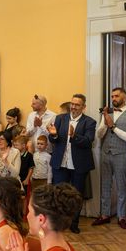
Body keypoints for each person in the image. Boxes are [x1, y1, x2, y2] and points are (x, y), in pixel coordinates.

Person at [48, 93, 97, 234]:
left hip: (79, 164)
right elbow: (54, 140)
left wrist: (74, 136)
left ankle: (74, 223)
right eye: (72, 104)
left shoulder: (89, 122)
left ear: (83, 107)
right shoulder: (60, 118)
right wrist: (54, 135)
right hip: (60, 163)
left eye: (77, 105)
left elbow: (88, 142)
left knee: (76, 195)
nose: (73, 107)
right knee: (59, 194)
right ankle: (59, 222)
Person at [93, 87, 126, 229]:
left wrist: (113, 127)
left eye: (116, 96)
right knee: (105, 185)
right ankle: (105, 215)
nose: (113, 99)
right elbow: (99, 135)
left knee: (121, 186)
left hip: (121, 154)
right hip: (106, 153)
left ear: (124, 98)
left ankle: (122, 216)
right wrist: (105, 123)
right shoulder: (107, 113)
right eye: (112, 96)